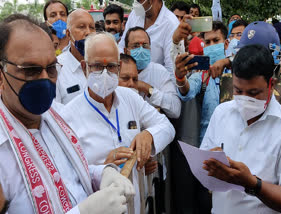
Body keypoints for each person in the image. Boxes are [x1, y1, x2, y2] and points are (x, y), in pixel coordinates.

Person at [0, 14, 134, 214]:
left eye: (51, 68)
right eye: (31, 70)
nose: (45, 79)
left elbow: (68, 173)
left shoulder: (57, 115)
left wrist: (102, 173)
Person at [61, 32, 175, 214]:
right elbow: (69, 178)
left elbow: (167, 127)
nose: (105, 73)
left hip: (137, 205)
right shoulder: (67, 118)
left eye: (112, 66)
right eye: (97, 66)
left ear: (120, 67)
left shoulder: (129, 97)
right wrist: (103, 170)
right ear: (84, 68)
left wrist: (149, 135)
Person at [201, 44, 281, 214]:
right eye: (238, 90)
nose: (245, 99)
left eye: (253, 93)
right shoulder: (221, 113)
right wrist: (211, 165)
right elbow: (203, 166)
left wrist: (252, 183)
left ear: (271, 85)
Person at [174, 21, 228, 142]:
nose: (212, 45)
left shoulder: (237, 73)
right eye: (208, 42)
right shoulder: (201, 75)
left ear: (226, 43)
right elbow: (187, 91)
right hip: (208, 146)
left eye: (216, 40)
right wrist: (180, 77)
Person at [124, 26, 181, 119]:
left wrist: (147, 89)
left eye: (145, 45)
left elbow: (176, 110)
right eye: (136, 46)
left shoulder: (159, 72)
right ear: (125, 51)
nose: (141, 50)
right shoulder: (118, 71)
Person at [118, 0, 179, 77]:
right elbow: (122, 45)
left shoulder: (171, 24)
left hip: (155, 83)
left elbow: (171, 69)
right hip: (128, 78)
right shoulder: (135, 15)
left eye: (138, 0)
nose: (135, 3)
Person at [55, 9, 95, 105]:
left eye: (92, 27)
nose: (88, 32)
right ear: (68, 34)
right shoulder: (57, 68)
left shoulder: (103, 63)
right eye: (81, 27)